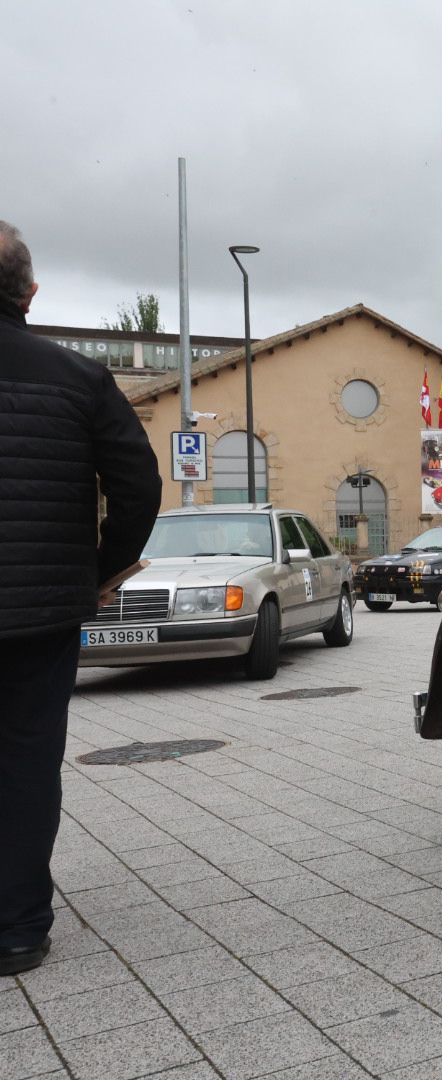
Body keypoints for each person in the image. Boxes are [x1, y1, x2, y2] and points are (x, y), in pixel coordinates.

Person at [0, 221, 161, 976]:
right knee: (29, 756)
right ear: (30, 293)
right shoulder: (78, 378)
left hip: (42, 599)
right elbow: (139, 485)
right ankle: (18, 928)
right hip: (40, 609)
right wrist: (101, 567)